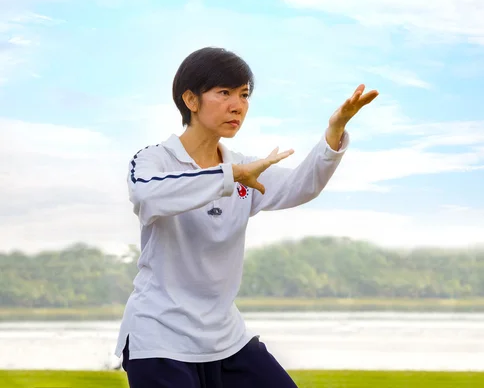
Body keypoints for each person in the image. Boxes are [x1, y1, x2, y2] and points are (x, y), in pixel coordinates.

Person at [114, 47, 378, 388]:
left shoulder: (244, 169)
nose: (237, 105)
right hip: (160, 339)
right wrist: (230, 176)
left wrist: (335, 130)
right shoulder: (154, 160)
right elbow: (148, 195)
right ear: (190, 100)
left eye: (244, 94)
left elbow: (302, 185)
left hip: (226, 340)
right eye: (224, 93)